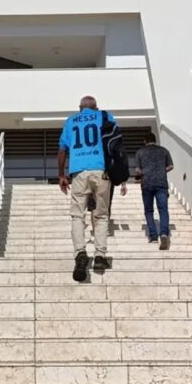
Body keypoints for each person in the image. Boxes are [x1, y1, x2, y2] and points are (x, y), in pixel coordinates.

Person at [58, 95, 115, 282]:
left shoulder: (70, 121)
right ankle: (99, 255)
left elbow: (62, 149)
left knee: (77, 214)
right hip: (101, 170)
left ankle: (80, 252)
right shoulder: (104, 116)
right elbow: (115, 142)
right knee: (101, 215)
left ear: (80, 107)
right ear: (96, 107)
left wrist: (61, 174)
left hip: (79, 171)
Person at [135, 132, 174, 250]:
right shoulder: (164, 151)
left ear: (144, 141)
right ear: (155, 140)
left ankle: (153, 236)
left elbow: (137, 170)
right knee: (163, 209)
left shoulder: (140, 152)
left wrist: (145, 173)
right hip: (161, 183)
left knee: (149, 210)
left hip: (147, 183)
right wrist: (161, 171)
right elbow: (171, 166)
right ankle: (163, 233)